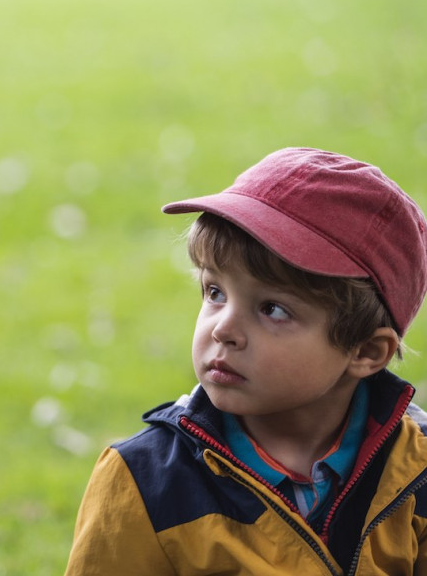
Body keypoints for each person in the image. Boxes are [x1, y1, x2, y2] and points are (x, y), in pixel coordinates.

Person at [64, 147, 427, 575]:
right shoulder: (144, 483)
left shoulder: (416, 469)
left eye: (272, 309)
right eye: (215, 292)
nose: (223, 329)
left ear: (365, 352)